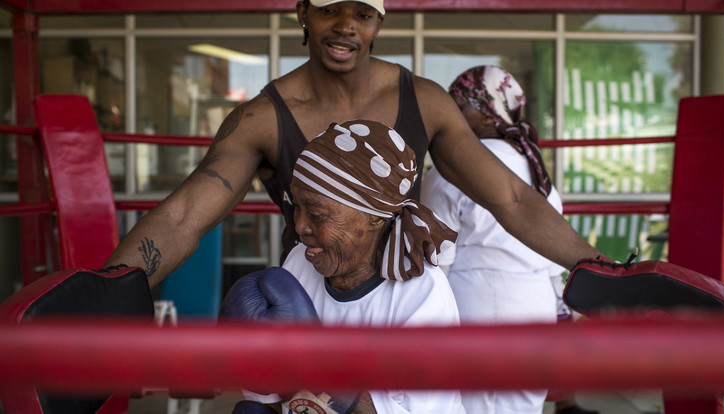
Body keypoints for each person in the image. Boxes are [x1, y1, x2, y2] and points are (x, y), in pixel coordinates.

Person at [101, 0, 601, 287]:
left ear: (378, 23)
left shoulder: (423, 101)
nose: (346, 25)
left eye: (362, 13)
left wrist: (597, 268)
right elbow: (183, 215)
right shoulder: (263, 118)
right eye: (330, 10)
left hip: (407, 302)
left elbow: (510, 197)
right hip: (312, 301)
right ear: (302, 14)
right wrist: (107, 292)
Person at [221, 119, 465, 413]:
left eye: (317, 214)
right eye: (297, 208)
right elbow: (282, 395)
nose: (299, 226)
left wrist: (322, 374)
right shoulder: (300, 263)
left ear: (375, 217)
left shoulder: (422, 293)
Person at [420, 65, 597, 414]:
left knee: (470, 406)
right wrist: (560, 311)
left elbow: (436, 258)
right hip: (535, 306)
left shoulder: (451, 167)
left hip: (474, 302)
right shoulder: (534, 165)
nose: (451, 114)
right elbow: (552, 257)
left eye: (461, 104)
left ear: (488, 113)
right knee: (522, 406)